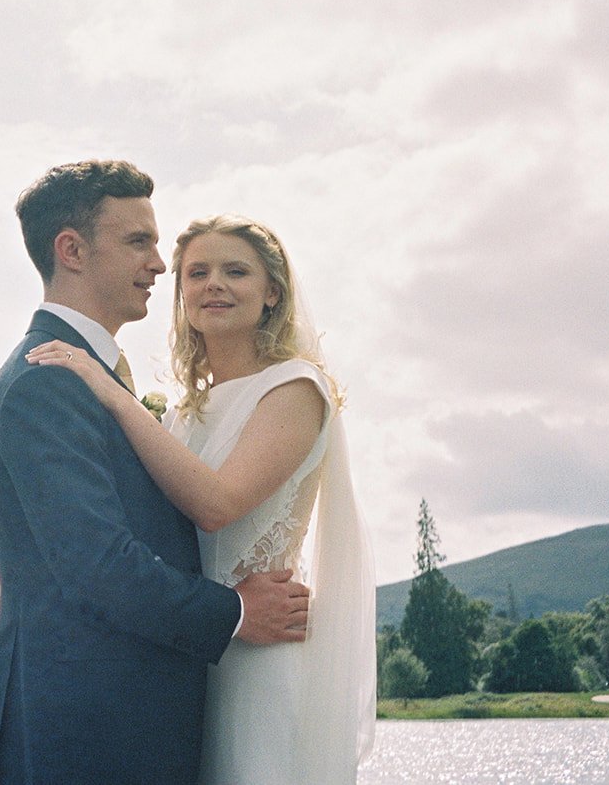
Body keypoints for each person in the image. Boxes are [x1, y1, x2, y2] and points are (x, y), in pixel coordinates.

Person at [0, 162, 314, 785]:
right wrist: (235, 614)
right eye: (139, 242)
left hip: (134, 731)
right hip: (84, 742)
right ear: (71, 250)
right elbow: (100, 567)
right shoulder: (46, 382)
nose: (161, 265)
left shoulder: (91, 378)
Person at [27, 214, 376, 785]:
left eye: (235, 271)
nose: (213, 283)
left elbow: (217, 504)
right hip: (192, 654)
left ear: (272, 293)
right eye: (197, 273)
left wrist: (117, 399)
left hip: (262, 656)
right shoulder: (185, 413)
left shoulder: (293, 388)